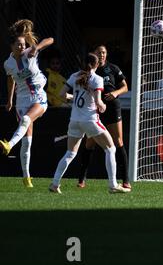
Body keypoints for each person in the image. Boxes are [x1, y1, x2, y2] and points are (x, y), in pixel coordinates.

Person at [48, 53, 130, 194]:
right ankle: (113, 185)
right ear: (96, 65)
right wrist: (102, 106)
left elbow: (61, 95)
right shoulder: (97, 79)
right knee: (111, 148)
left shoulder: (74, 76)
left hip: (74, 120)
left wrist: (74, 97)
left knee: (70, 153)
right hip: (90, 120)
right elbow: (98, 103)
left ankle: (55, 184)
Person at [1, 19, 54, 188]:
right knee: (27, 141)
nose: (22, 47)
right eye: (18, 44)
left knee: (25, 120)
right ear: (12, 46)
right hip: (22, 100)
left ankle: (9, 144)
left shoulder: (31, 52)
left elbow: (50, 39)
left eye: (24, 44)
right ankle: (26, 178)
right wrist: (9, 99)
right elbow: (11, 81)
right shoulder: (8, 64)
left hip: (39, 97)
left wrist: (36, 48)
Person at [76, 45, 131, 189]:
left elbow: (125, 87)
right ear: (94, 54)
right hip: (95, 110)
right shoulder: (89, 71)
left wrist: (116, 93)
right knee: (89, 144)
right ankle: (81, 180)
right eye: (99, 53)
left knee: (118, 142)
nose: (101, 55)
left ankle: (125, 180)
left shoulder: (112, 68)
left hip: (112, 108)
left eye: (104, 53)